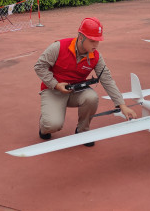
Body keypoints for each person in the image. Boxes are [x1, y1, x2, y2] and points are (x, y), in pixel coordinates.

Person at [34, 17, 137, 146]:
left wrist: (122, 105)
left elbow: (107, 79)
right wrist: (55, 84)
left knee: (91, 97)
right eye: (92, 41)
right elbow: (39, 66)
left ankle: (83, 131)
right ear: (81, 37)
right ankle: (45, 123)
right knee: (52, 125)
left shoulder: (96, 57)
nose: (96, 45)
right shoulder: (58, 47)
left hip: (76, 91)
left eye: (98, 41)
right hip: (53, 90)